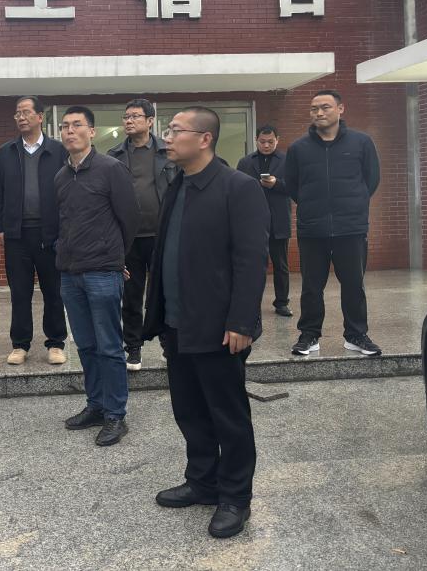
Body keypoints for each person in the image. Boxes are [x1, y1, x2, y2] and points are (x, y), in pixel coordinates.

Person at [143, 106, 269, 539]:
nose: (167, 137)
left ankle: (235, 497)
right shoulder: (177, 185)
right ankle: (203, 482)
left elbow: (251, 261)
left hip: (220, 328)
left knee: (227, 416)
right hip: (178, 324)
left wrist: (242, 322)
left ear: (204, 139)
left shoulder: (239, 188)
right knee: (190, 410)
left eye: (175, 130)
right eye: (168, 130)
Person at [55, 106, 139, 447]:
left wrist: (115, 259)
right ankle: (96, 405)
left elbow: (129, 219)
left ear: (91, 132)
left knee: (109, 346)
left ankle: (116, 414)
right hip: (70, 274)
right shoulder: (61, 177)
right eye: (65, 126)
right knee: (86, 346)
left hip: (103, 273)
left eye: (77, 125)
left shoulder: (111, 169)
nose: (70, 131)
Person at [285, 90, 381, 357]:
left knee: (353, 284)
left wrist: (354, 204)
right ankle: (309, 335)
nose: (319, 113)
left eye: (325, 107)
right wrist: (311, 205)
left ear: (340, 109)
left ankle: (356, 335)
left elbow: (371, 179)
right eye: (314, 108)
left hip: (351, 227)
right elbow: (293, 186)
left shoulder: (361, 142)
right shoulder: (298, 148)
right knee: (311, 286)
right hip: (312, 228)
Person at [0, 96, 68, 366]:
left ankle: (56, 343)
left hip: (50, 234)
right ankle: (20, 344)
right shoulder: (6, 152)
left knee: (54, 291)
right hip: (17, 234)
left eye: (26, 112)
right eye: (17, 113)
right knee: (19, 292)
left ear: (40, 117)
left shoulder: (58, 151)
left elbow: (68, 191)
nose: (21, 117)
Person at [107, 98, 175, 370]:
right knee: (131, 295)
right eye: (126, 116)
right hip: (128, 237)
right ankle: (133, 347)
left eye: (135, 116)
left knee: (165, 292)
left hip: (161, 234)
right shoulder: (114, 155)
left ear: (150, 121)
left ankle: (169, 344)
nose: (129, 121)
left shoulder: (167, 152)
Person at [237, 125, 293, 317]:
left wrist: (276, 183)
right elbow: (237, 189)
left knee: (281, 265)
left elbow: (295, 187)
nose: (266, 145)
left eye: (270, 141)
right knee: (251, 265)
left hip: (279, 221)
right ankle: (250, 302)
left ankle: (282, 303)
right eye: (262, 142)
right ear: (256, 140)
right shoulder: (245, 162)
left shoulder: (287, 160)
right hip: (252, 221)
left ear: (278, 140)